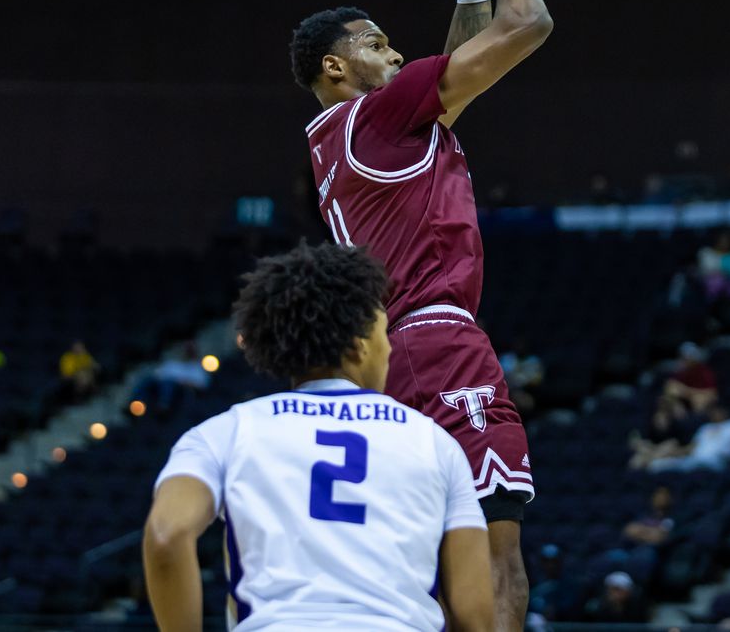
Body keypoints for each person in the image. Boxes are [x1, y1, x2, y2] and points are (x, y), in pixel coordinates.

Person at [291, 0, 552, 629]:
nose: (397, 52)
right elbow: (528, 23)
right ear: (336, 67)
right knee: (496, 561)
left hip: (391, 359)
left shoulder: (353, 136)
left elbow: (462, 56)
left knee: (432, 572)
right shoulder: (378, 113)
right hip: (439, 346)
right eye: (376, 44)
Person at [143, 243, 493, 631]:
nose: (391, 346)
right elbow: (474, 614)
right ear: (359, 347)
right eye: (383, 333)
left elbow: (166, 535)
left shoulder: (225, 432)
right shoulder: (435, 442)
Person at [631, 402, 730, 473]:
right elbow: (691, 448)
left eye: (717, 411)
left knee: (698, 461)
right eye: (712, 412)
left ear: (724, 411)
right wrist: (671, 453)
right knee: (656, 466)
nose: (714, 414)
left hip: (717, 462)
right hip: (693, 460)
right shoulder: (705, 428)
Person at [582, 571, 649, 623]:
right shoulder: (595, 607)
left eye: (618, 589)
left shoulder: (638, 607)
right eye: (611, 589)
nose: (614, 593)